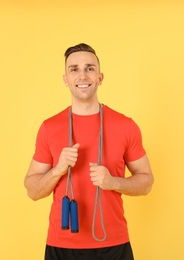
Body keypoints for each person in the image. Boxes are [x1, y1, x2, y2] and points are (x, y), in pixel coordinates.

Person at [24, 43, 154, 260]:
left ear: (100, 77)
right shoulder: (49, 127)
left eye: (89, 68)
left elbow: (147, 182)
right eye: (74, 69)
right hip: (61, 246)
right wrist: (57, 170)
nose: (82, 75)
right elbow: (32, 191)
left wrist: (114, 182)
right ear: (66, 79)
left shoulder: (125, 125)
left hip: (113, 245)